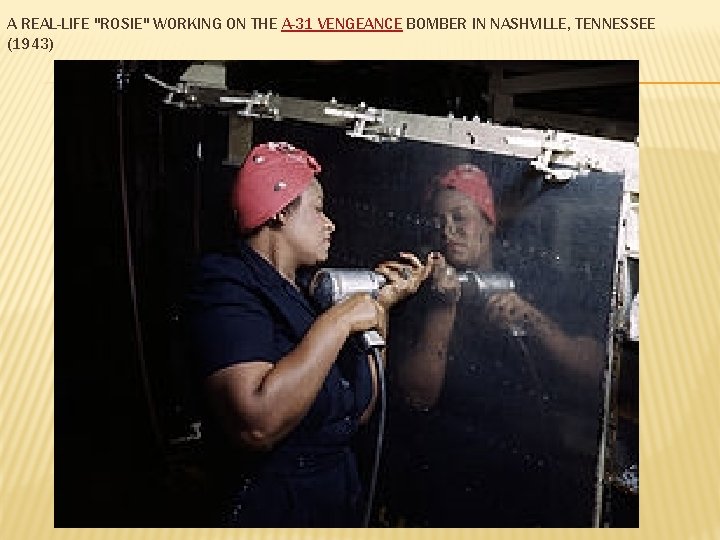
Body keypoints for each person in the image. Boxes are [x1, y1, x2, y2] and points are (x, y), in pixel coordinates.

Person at [185, 142, 431, 527]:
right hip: (272, 509)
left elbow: (359, 412)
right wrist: (337, 322)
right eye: (318, 209)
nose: (330, 222)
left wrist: (379, 307)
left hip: (334, 499)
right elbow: (256, 424)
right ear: (280, 211)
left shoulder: (304, 294)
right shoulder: (227, 285)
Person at [382, 163, 605, 526]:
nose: (448, 230)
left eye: (460, 217)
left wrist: (533, 321)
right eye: (438, 221)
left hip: (528, 479)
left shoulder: (534, 279)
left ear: (489, 222)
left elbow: (596, 370)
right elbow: (418, 395)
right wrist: (443, 305)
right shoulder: (418, 292)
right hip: (447, 481)